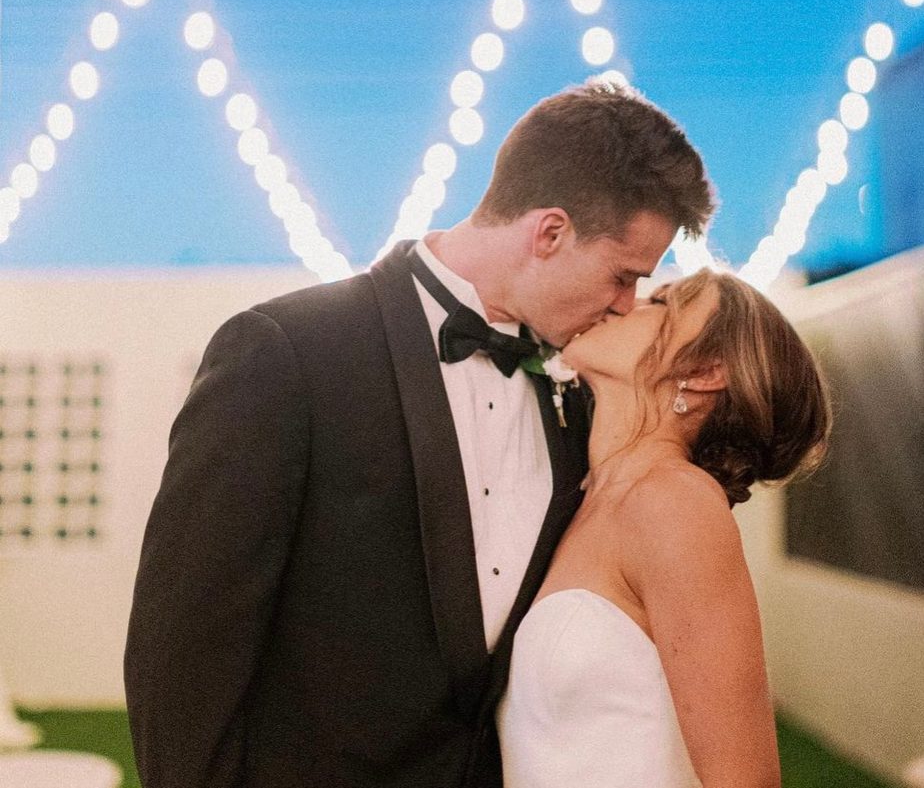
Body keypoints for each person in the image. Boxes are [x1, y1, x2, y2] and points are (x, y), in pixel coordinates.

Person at [124, 82, 714, 788]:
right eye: (624, 275)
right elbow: (184, 649)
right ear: (550, 231)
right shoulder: (287, 352)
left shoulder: (579, 396)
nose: (627, 303)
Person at [497, 265, 831, 788]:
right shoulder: (583, 496)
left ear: (704, 373)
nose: (624, 304)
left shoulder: (675, 504)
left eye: (660, 304)